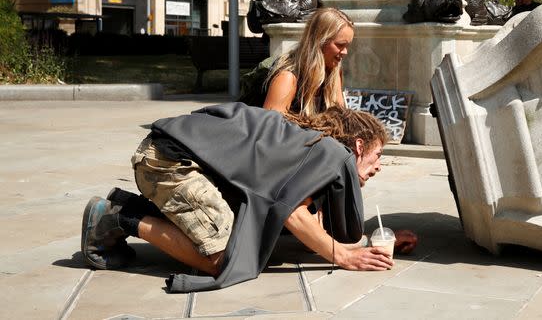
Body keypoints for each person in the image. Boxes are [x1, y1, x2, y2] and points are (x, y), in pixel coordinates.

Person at [80, 104, 418, 293]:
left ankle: (130, 209)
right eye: (377, 157)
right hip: (170, 163)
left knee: (239, 242)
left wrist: (367, 241)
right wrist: (344, 257)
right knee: (224, 260)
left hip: (171, 155)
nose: (378, 168)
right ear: (358, 147)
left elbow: (304, 215)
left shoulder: (311, 146)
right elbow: (293, 214)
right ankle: (119, 217)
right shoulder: (329, 154)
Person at [253, 7, 354, 116]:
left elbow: (340, 118)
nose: (345, 52)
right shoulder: (287, 78)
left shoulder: (334, 72)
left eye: (347, 46)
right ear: (319, 41)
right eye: (340, 45)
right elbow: (270, 127)